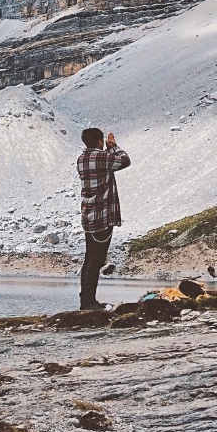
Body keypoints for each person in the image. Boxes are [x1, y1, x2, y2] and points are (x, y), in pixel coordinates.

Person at [76, 127, 130, 310]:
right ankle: (88, 302)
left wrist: (106, 152)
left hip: (88, 214)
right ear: (100, 141)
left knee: (90, 257)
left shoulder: (81, 159)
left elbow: (102, 165)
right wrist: (114, 147)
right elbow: (124, 160)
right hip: (103, 215)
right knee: (97, 260)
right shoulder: (103, 157)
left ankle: (85, 299)